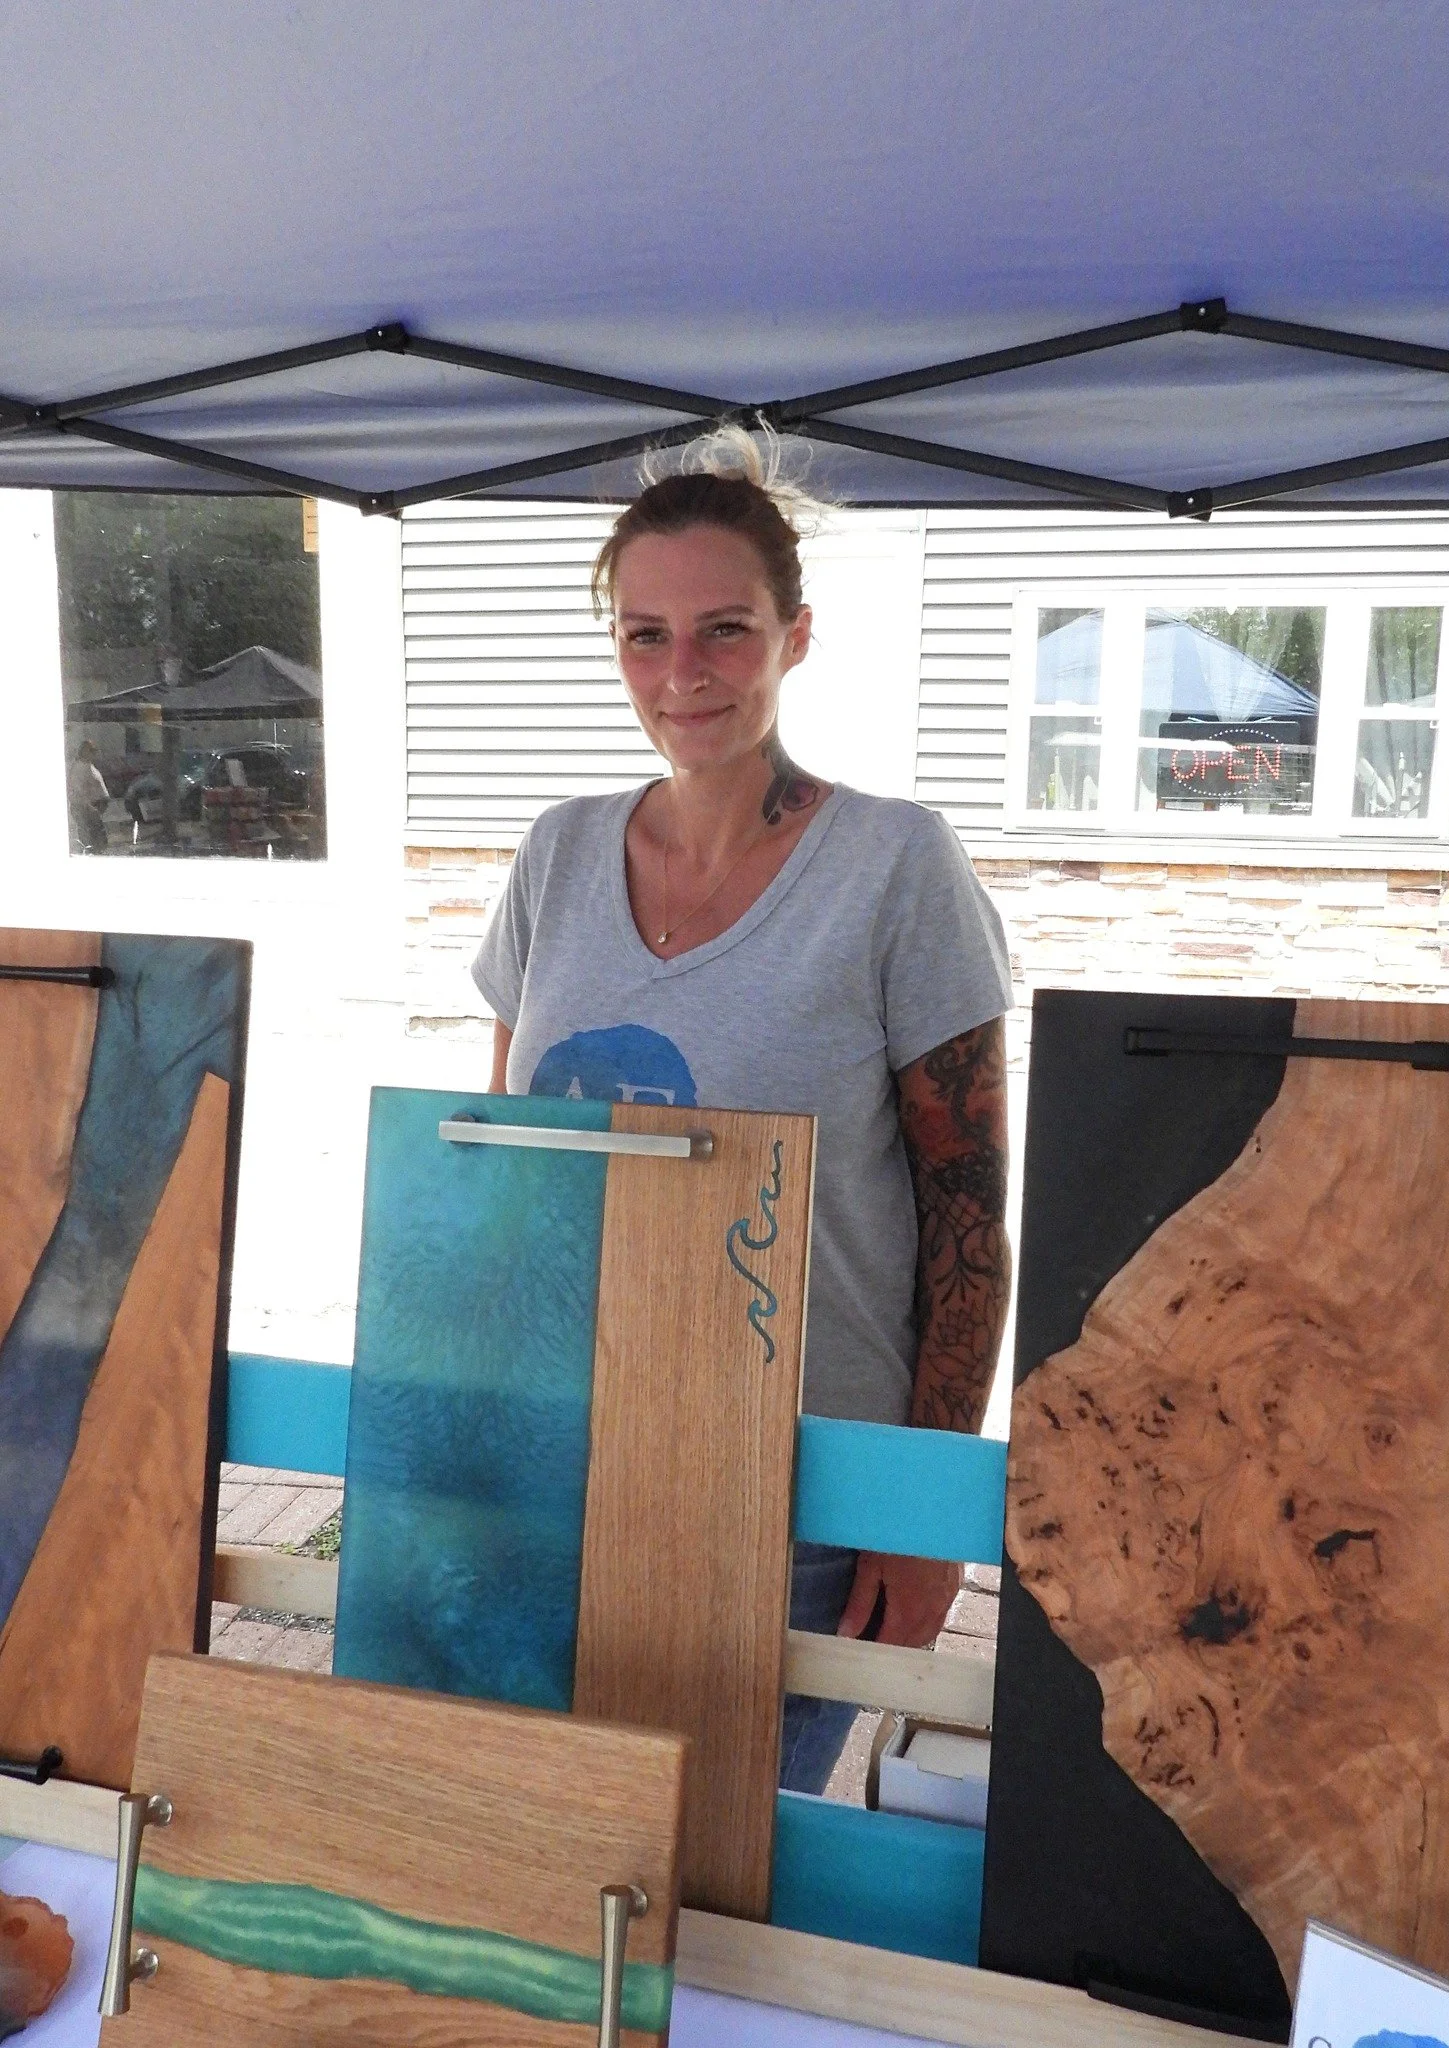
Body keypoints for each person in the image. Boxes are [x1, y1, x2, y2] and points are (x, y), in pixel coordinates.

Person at [472, 426, 1013, 1794]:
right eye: (645, 635)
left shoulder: (894, 865)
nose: (683, 674)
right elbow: (503, 1172)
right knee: (547, 1851)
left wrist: (920, 1513)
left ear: (795, 637)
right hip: (574, 1463)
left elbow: (970, 1222)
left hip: (800, 1491)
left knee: (723, 1890)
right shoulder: (558, 852)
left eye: (724, 630)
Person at [67, 739, 110, 853]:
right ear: (84, 752)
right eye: (91, 750)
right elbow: (78, 790)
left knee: (96, 834)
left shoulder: (88, 765)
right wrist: (90, 806)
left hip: (93, 807)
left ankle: (98, 851)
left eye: (94, 750)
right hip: (86, 807)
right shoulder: (79, 768)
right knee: (91, 836)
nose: (94, 753)